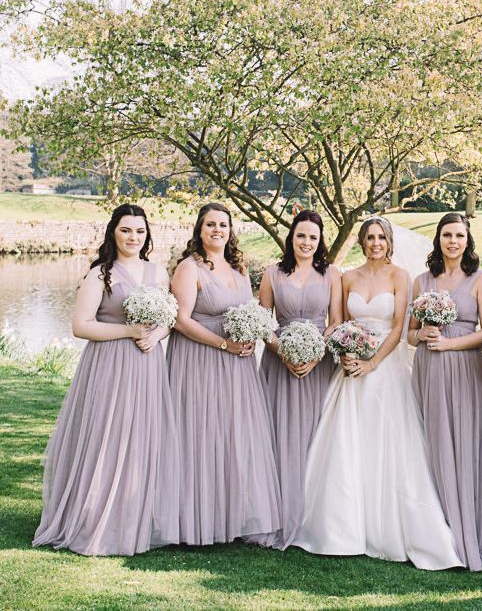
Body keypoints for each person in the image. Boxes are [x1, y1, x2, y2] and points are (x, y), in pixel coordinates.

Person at [292, 216, 463, 570]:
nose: (375, 243)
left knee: (389, 447)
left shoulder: (401, 276)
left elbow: (400, 327)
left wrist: (372, 364)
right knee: (346, 445)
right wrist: (347, 354)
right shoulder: (347, 277)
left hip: (387, 369)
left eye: (380, 237)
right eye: (369, 238)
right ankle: (342, 529)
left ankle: (388, 529)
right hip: (350, 370)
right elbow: (338, 321)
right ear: (362, 241)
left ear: (389, 241)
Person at [33, 204, 179, 555]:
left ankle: (133, 518)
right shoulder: (101, 274)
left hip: (147, 365)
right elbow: (81, 325)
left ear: (147, 235)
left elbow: (169, 317)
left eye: (140, 231)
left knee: (141, 438)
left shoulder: (158, 273)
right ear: (114, 232)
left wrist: (156, 334)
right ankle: (93, 517)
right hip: (109, 364)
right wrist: (128, 330)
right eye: (126, 230)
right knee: (106, 436)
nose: (133, 237)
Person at [167, 202, 280, 546]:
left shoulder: (240, 268)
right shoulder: (189, 268)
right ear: (199, 230)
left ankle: (230, 517)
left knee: (234, 435)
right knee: (200, 435)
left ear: (231, 230)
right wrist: (222, 344)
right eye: (210, 224)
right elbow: (181, 319)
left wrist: (249, 335)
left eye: (223, 224)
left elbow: (249, 311)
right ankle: (194, 521)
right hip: (199, 360)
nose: (217, 230)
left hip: (238, 365)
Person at [408, 212, 482, 571]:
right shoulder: (422, 281)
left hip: (466, 368)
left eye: (459, 235)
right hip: (429, 368)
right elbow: (408, 334)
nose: (453, 241)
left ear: (467, 240)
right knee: (434, 440)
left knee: (466, 441)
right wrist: (423, 336)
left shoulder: (480, 280)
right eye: (447, 235)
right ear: (438, 239)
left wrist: (450, 345)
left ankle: (468, 529)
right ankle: (435, 530)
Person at [259, 210, 342, 549]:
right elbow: (263, 323)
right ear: (291, 238)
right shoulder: (272, 274)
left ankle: (313, 516)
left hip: (318, 365)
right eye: (301, 236)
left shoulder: (332, 274)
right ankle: (277, 513)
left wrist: (315, 353)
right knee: (279, 436)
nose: (306, 242)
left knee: (316, 435)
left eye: (313, 237)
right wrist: (284, 352)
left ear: (320, 241)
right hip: (280, 365)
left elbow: (335, 320)